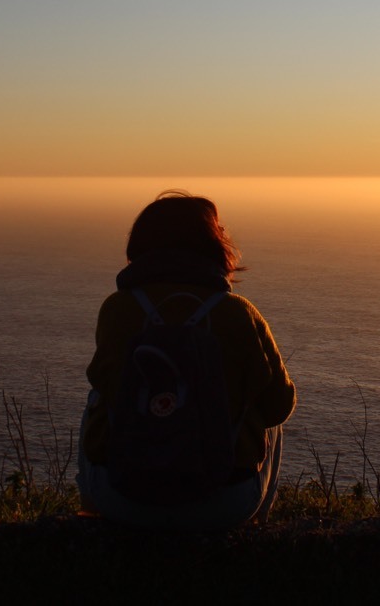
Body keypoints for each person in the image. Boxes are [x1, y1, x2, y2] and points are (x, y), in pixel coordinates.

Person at [76, 191, 296, 530]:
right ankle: (255, 528)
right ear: (212, 245)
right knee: (265, 399)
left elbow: (108, 386)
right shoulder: (239, 314)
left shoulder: (117, 309)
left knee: (98, 397)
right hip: (225, 504)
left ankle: (91, 510)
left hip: (122, 499)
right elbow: (278, 407)